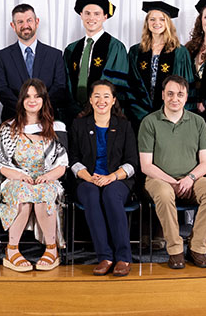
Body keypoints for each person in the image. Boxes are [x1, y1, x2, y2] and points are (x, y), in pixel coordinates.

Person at [138, 75, 206, 269]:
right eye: (170, 94)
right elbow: (146, 166)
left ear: (186, 97)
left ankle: (197, 248)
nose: (174, 98)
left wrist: (189, 179)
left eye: (179, 94)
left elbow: (205, 163)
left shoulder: (198, 122)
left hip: (191, 180)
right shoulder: (149, 122)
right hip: (158, 180)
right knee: (163, 192)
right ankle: (175, 250)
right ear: (162, 95)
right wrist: (173, 182)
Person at [0, 79, 68, 272]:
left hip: (46, 178)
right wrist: (19, 176)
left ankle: (52, 249)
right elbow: (2, 165)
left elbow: (62, 165)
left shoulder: (55, 128)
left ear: (44, 100)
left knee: (44, 194)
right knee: (22, 193)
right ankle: (12, 250)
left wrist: (48, 176)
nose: (32, 100)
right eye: (27, 96)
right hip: (16, 179)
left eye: (37, 96)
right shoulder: (8, 128)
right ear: (21, 100)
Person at [69, 80, 138, 277]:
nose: (102, 101)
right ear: (90, 100)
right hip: (86, 179)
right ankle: (105, 257)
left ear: (113, 100)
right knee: (91, 195)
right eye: (97, 96)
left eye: (106, 96)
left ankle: (123, 258)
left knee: (110, 194)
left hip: (117, 180)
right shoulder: (79, 125)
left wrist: (112, 177)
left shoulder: (124, 126)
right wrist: (89, 178)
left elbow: (132, 163)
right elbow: (73, 159)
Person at [127, 1, 193, 131]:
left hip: (170, 111)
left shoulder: (180, 52)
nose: (156, 23)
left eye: (162, 19)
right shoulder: (136, 51)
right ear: (147, 23)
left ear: (168, 23)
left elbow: (186, 84)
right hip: (139, 111)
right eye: (152, 19)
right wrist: (137, 108)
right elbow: (130, 82)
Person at [0, 3, 67, 122]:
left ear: (36, 22)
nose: (25, 25)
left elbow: (59, 87)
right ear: (13, 26)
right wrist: (24, 109)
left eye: (29, 20)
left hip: (47, 119)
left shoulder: (55, 55)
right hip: (13, 118)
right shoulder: (2, 56)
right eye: (20, 22)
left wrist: (40, 108)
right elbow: (2, 90)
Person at [63, 0, 129, 121]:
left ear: (105, 17)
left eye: (97, 14)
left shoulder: (115, 47)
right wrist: (74, 109)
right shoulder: (72, 49)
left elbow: (116, 84)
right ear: (81, 15)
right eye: (87, 13)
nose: (91, 18)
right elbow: (67, 83)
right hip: (75, 115)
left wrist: (93, 106)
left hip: (104, 114)